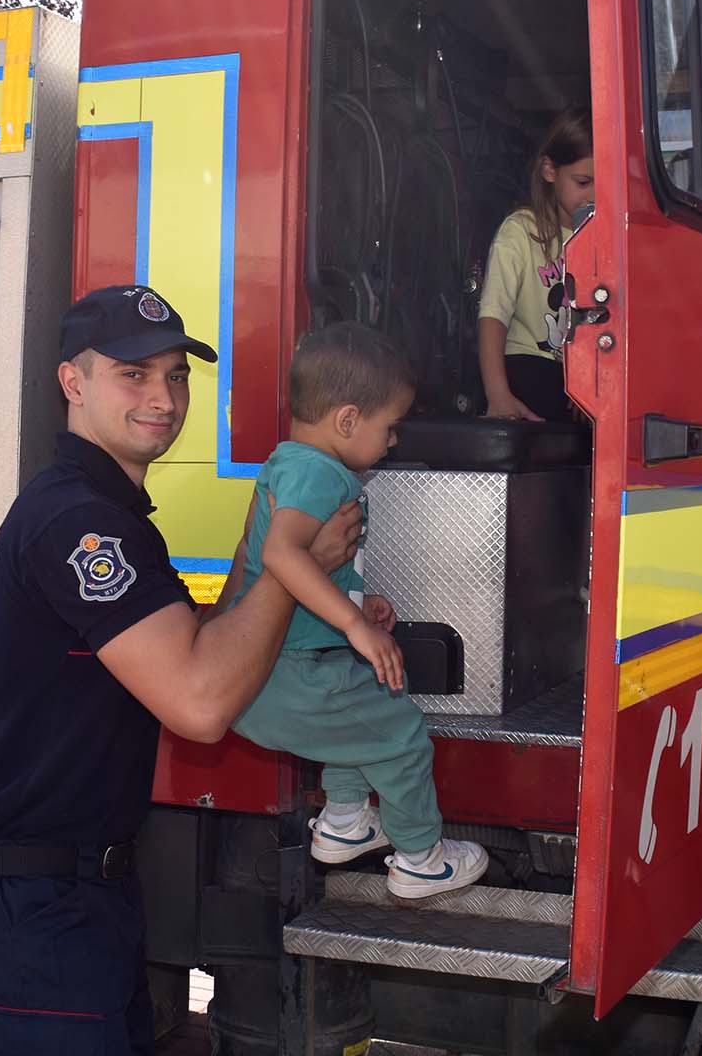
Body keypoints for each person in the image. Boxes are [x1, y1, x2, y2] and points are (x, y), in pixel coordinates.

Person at [0, 284, 362, 1055]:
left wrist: (268, 545)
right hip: (33, 909)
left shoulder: (105, 513)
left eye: (176, 375)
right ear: (73, 383)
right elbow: (199, 703)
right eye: (133, 375)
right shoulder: (80, 524)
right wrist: (293, 568)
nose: (163, 398)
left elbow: (198, 645)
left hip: (74, 896)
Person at [225, 322, 490, 899]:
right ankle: (422, 858)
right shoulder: (318, 473)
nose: (391, 442)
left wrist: (354, 605)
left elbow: (300, 570)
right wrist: (352, 625)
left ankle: (345, 822)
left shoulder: (292, 461)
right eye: (389, 427)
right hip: (291, 671)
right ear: (347, 420)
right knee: (402, 736)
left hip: (281, 663)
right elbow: (281, 555)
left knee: (368, 700)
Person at [477, 107, 595, 422]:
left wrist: (590, 383)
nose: (594, 195)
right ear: (549, 171)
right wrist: (498, 395)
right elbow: (493, 314)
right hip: (528, 365)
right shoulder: (521, 231)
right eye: (584, 182)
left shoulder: (605, 239)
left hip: (578, 375)